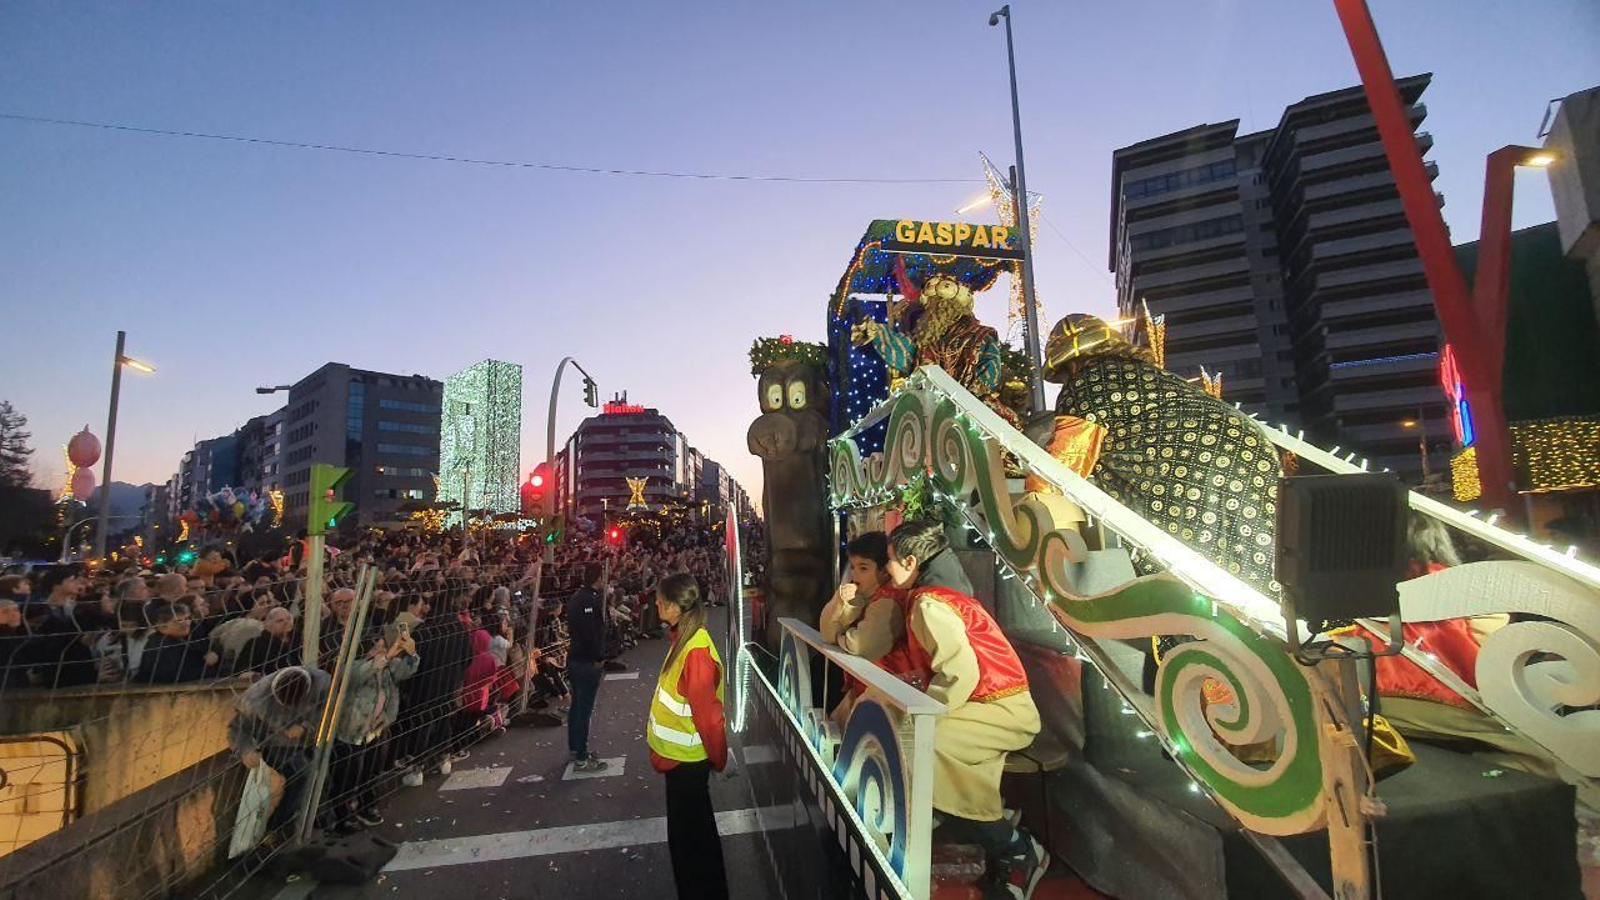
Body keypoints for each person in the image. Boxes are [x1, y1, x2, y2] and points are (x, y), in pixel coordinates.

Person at [885, 520, 1047, 900]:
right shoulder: (940, 595)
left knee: (924, 745)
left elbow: (960, 672)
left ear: (910, 562)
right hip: (993, 704)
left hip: (999, 708)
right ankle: (998, 826)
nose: (886, 568)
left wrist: (923, 712)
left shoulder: (928, 603)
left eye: (890, 560)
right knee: (921, 743)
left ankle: (1015, 847)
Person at [647, 573, 729, 900]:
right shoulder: (685, 639)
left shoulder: (693, 649)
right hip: (680, 761)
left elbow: (707, 715)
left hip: (687, 764)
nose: (654, 604)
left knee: (692, 847)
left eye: (659, 600)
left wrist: (719, 757)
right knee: (694, 842)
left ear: (673, 606)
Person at [819, 531, 918, 727]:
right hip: (866, 690)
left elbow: (859, 645)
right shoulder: (867, 597)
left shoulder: (888, 602)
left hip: (883, 697)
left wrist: (841, 637)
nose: (854, 575)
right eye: (853, 567)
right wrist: (842, 602)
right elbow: (826, 631)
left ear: (883, 571)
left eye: (863, 568)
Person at [325, 625, 418, 832]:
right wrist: (385, 658)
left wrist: (411, 653)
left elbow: (404, 672)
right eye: (377, 648)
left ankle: (367, 803)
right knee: (347, 775)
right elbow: (358, 676)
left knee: (370, 771)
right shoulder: (351, 667)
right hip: (351, 731)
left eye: (383, 647)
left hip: (375, 729)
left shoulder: (387, 669)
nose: (382, 652)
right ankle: (343, 814)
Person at [228, 666, 332, 844]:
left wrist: (307, 726)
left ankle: (319, 819)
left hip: (309, 739)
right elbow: (236, 729)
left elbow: (330, 710)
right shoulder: (254, 700)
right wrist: (245, 751)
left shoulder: (323, 684)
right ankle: (276, 828)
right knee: (303, 774)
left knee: (323, 773)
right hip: (273, 743)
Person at [567, 562, 609, 771]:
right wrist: (598, 656)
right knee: (584, 709)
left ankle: (576, 747)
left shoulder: (577, 597)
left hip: (575, 657)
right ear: (598, 577)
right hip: (586, 660)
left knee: (577, 707)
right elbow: (591, 632)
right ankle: (582, 756)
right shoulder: (589, 600)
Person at [136, 601, 220, 683]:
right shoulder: (162, 644)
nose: (186, 623)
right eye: (179, 621)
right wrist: (212, 670)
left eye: (187, 619)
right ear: (162, 626)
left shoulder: (184, 638)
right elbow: (173, 676)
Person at [235, 608, 299, 675]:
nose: (286, 622)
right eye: (280, 621)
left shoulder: (300, 638)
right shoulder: (256, 643)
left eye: (288, 618)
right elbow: (242, 668)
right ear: (268, 625)